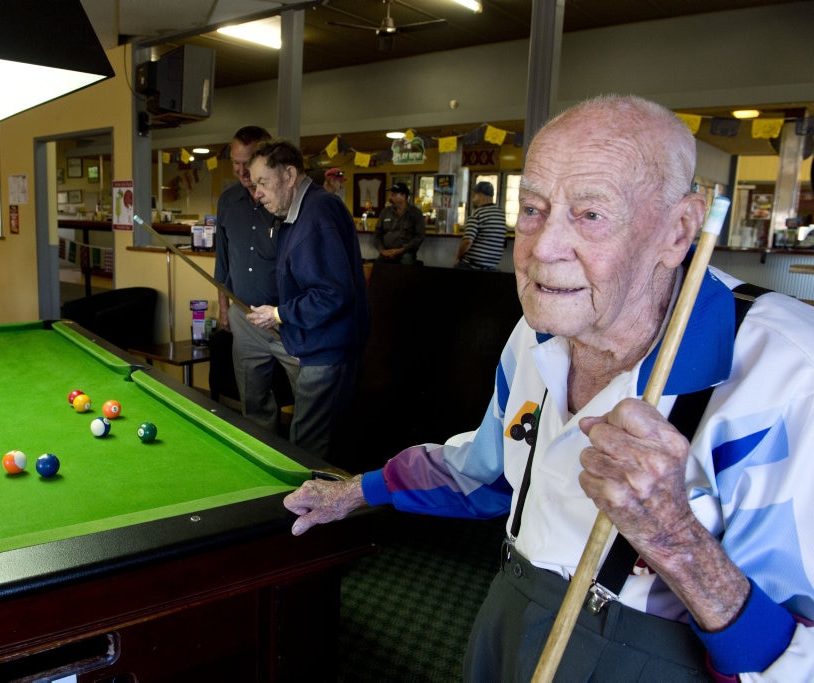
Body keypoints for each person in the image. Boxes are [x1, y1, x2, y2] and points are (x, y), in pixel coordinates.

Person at [283, 95, 814, 680]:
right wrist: (357, 491)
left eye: (590, 215)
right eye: (532, 208)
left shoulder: (788, 374)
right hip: (512, 611)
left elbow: (801, 657)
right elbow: (486, 473)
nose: (540, 249)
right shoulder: (536, 332)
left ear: (678, 229)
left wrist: (677, 541)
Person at [245, 139, 370, 461]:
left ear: (289, 174)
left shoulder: (317, 213)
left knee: (305, 447)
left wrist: (279, 314)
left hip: (328, 351)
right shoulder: (300, 213)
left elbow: (333, 294)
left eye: (262, 182)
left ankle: (301, 508)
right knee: (320, 439)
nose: (256, 193)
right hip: (322, 346)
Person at [214, 125, 299, 434]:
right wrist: (224, 307)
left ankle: (307, 467)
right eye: (235, 163)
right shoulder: (227, 201)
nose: (241, 170)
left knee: (308, 399)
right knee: (254, 402)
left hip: (286, 319)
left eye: (247, 162)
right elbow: (222, 261)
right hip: (244, 314)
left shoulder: (285, 202)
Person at [454, 180, 507, 270]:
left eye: (474, 196)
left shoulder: (478, 213)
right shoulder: (501, 214)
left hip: (472, 266)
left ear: (481, 196)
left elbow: (468, 241)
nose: (472, 200)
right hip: (491, 267)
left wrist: (458, 257)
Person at [373, 182, 425, 265]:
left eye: (393, 195)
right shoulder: (385, 212)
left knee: (405, 263)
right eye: (390, 194)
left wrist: (401, 250)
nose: (390, 197)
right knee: (377, 267)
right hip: (386, 252)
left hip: (405, 252)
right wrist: (382, 250)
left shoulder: (415, 213)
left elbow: (419, 236)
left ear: (403, 196)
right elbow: (377, 234)